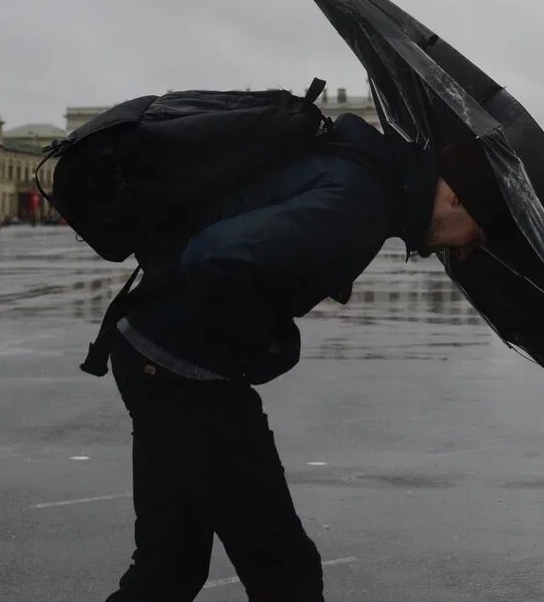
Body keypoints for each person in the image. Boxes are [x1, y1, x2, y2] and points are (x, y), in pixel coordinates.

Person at [104, 113, 505, 602]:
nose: (465, 251)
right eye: (476, 235)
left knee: (168, 567)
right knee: (284, 571)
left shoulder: (361, 177)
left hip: (152, 346)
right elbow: (215, 256)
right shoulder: (360, 200)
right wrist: (264, 341)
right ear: (457, 198)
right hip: (185, 369)